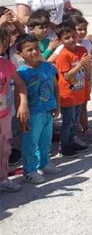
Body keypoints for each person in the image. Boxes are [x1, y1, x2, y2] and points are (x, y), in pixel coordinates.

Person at [15, 34, 59, 184]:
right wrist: (21, 118)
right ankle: (29, 170)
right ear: (19, 54)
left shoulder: (48, 67)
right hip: (32, 114)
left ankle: (44, 163)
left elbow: (55, 86)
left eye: (36, 48)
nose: (34, 52)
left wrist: (57, 105)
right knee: (30, 143)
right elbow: (18, 95)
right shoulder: (21, 73)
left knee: (45, 140)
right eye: (29, 50)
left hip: (48, 110)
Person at [53, 22, 91, 158]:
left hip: (79, 91)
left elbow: (87, 68)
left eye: (73, 36)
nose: (71, 40)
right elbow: (67, 76)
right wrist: (80, 64)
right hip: (67, 94)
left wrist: (88, 70)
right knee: (68, 122)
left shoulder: (82, 50)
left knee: (75, 121)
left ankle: (72, 141)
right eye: (67, 38)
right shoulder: (63, 55)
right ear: (60, 40)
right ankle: (64, 146)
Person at [0, 28, 28, 192]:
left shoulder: (6, 64)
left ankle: (3, 179)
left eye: (3, 42)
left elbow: (20, 83)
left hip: (4, 116)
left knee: (4, 149)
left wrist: (23, 103)